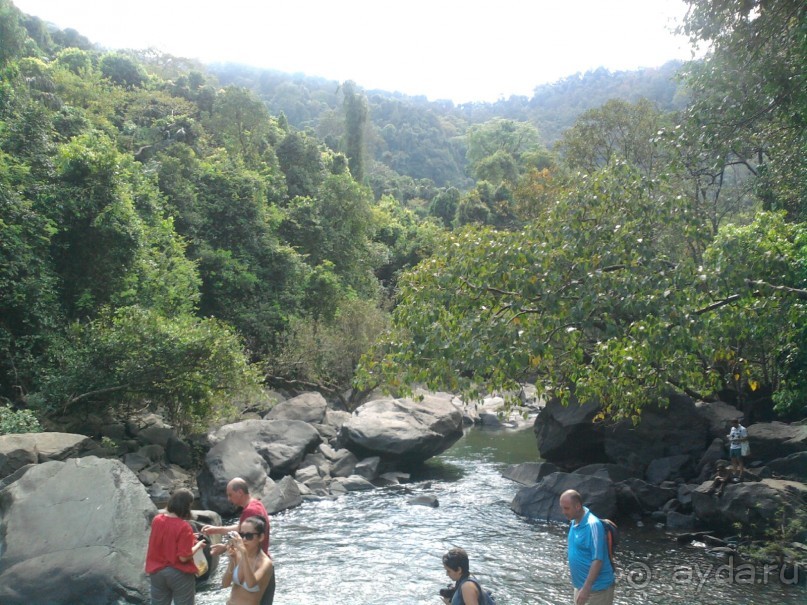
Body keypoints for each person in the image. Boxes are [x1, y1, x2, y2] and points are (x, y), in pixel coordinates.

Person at [200, 478, 275, 604]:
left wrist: (224, 546)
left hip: (257, 565)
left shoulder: (251, 510)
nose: (229, 499)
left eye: (230, 495)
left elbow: (242, 533)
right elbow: (242, 530)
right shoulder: (255, 505)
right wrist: (218, 531)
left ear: (240, 492)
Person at [145, 488, 206, 605]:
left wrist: (190, 537)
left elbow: (165, 539)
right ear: (187, 506)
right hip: (179, 574)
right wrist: (198, 545)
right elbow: (183, 557)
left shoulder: (157, 520)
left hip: (156, 573)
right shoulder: (184, 527)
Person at [559, 490, 615, 605]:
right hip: (581, 588)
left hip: (597, 590)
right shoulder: (574, 522)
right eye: (562, 508)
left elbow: (598, 560)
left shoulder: (592, 525)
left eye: (566, 508)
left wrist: (586, 589)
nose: (563, 512)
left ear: (578, 506)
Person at [222, 516, 274, 605]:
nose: (244, 539)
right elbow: (225, 584)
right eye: (241, 535)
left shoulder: (265, 563)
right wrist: (232, 560)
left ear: (261, 537)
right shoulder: (238, 554)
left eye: (249, 536)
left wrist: (244, 554)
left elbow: (251, 584)